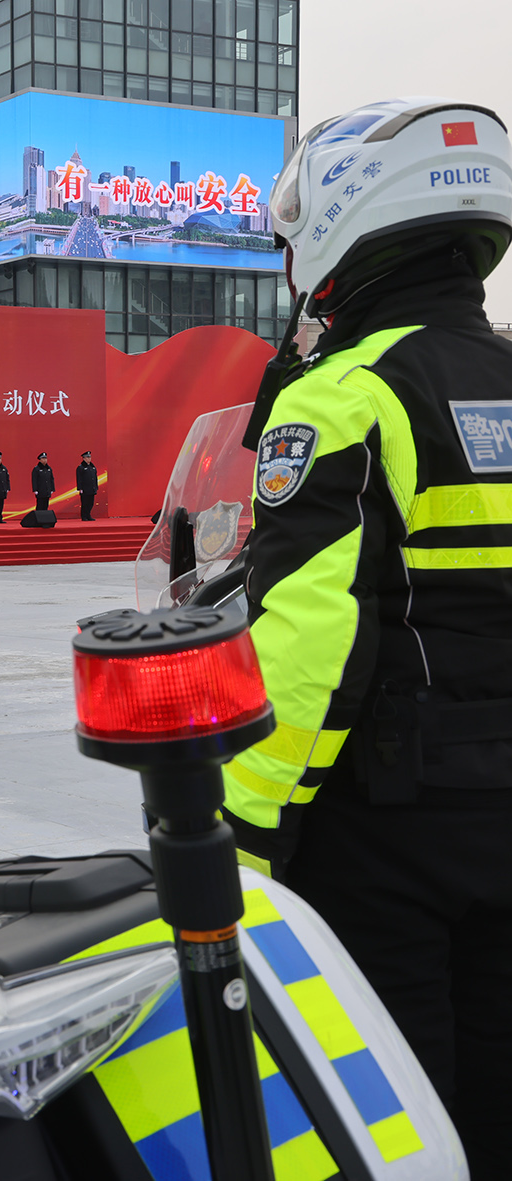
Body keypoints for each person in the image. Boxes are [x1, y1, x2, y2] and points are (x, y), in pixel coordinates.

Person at [220, 96, 512, 1169]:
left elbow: (310, 650)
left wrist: (241, 831)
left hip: (388, 828)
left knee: (399, 1110)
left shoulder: (343, 396)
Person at [76, 451, 99, 521]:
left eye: (90, 457)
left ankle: (88, 515)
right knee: (85, 503)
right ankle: (84, 516)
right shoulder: (81, 467)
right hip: (85, 489)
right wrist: (80, 488)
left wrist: (96, 487)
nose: (89, 459)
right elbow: (79, 478)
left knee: (90, 503)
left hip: (92, 488)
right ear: (84, 458)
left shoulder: (92, 467)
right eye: (87, 457)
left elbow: (95, 478)